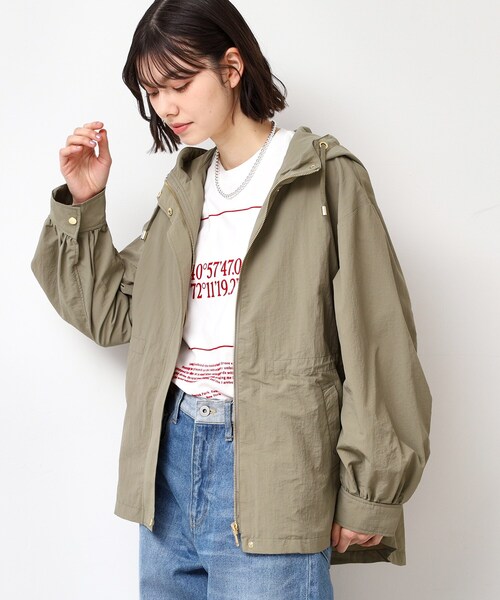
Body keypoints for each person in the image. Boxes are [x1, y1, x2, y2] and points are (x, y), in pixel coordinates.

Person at [31, 0, 432, 598]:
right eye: (152, 91)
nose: (166, 107)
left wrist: (369, 492)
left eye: (179, 83)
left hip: (274, 466)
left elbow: (379, 339)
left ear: (232, 66)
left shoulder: (322, 176)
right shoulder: (184, 191)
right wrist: (83, 203)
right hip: (168, 464)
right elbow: (110, 314)